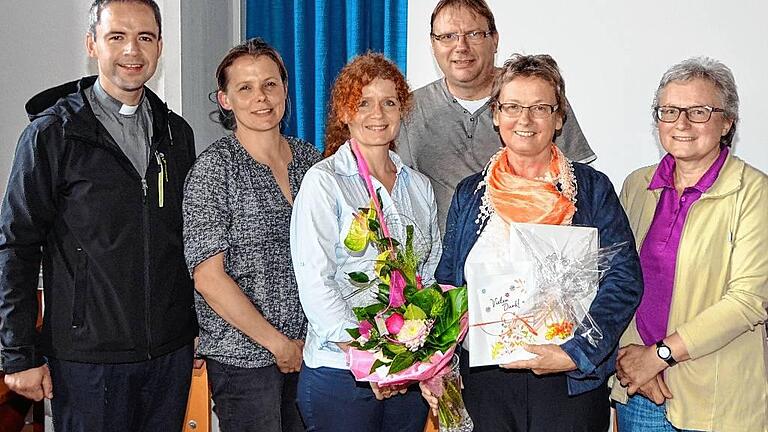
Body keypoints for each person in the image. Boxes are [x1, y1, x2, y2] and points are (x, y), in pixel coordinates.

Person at [0, 1, 197, 431]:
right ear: (92, 44)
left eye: (145, 37)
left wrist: (194, 328)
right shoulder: (52, 134)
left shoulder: (176, 134)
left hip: (169, 354)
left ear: (160, 47)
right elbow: (16, 245)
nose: (133, 50)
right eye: (117, 37)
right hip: (87, 361)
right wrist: (18, 354)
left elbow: (186, 240)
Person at [420, 54, 642, 431]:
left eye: (540, 107)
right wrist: (436, 362)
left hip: (567, 383)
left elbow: (623, 280)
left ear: (558, 118)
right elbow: (449, 283)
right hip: (485, 384)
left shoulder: (591, 189)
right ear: (496, 114)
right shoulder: (470, 193)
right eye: (512, 106)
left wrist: (576, 353)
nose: (525, 120)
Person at [612, 57, 768, 432]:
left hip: (718, 400)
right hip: (641, 392)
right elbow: (613, 280)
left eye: (698, 111)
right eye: (669, 111)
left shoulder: (754, 193)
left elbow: (748, 300)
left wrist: (659, 356)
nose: (681, 123)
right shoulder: (637, 186)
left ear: (727, 121)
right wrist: (631, 360)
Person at [290, 53, 439, 432]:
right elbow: (315, 281)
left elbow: (429, 273)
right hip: (342, 374)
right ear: (345, 113)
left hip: (406, 371)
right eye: (363, 102)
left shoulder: (418, 186)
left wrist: (419, 355)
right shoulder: (325, 182)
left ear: (401, 110)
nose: (378, 113)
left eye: (389, 102)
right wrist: (370, 361)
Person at [182, 38, 321, 432]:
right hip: (244, 359)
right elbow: (209, 277)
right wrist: (276, 343)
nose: (261, 97)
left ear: (285, 89)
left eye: (270, 84)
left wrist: (308, 342)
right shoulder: (213, 170)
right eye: (245, 88)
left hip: (311, 350)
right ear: (225, 100)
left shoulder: (312, 162)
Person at [397, 0, 596, 232]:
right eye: (448, 36)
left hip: (540, 257)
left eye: (474, 34)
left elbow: (582, 192)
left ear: (495, 39)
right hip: (448, 262)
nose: (461, 46)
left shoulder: (541, 100)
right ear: (433, 44)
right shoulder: (408, 111)